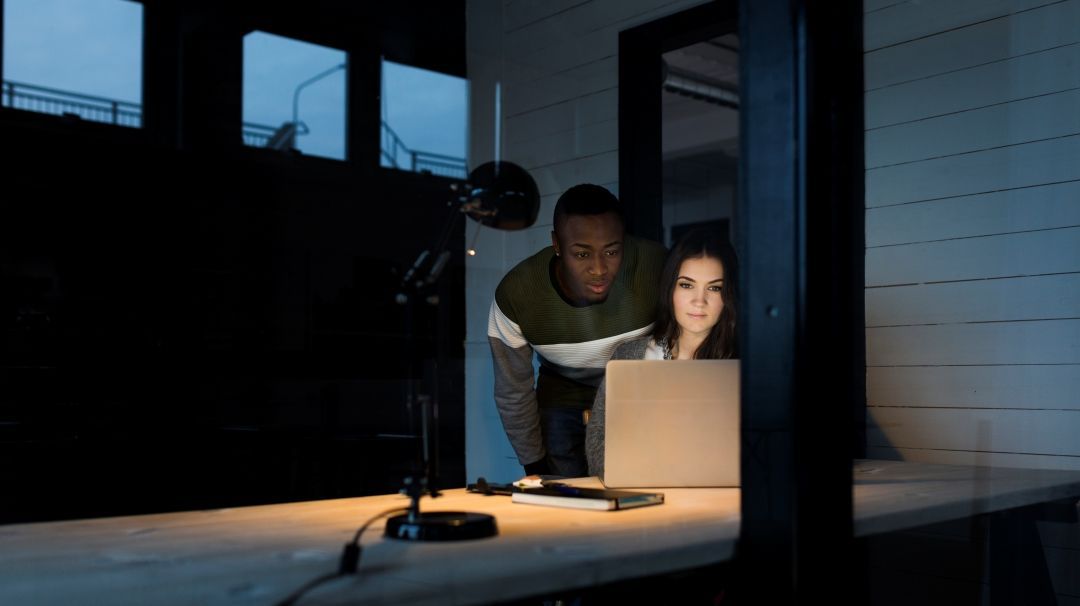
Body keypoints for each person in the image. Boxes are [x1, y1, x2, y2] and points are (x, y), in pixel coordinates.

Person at [487, 184, 667, 477]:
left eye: (611, 251)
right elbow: (512, 390)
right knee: (569, 501)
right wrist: (534, 466)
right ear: (557, 245)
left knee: (639, 490)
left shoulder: (656, 267)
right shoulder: (517, 294)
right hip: (563, 396)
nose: (598, 268)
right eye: (582, 254)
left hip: (638, 393)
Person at [585, 228, 738, 478]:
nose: (699, 301)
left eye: (714, 288)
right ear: (670, 289)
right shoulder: (629, 357)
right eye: (687, 285)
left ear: (729, 295)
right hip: (640, 497)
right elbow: (598, 445)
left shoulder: (746, 367)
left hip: (718, 502)